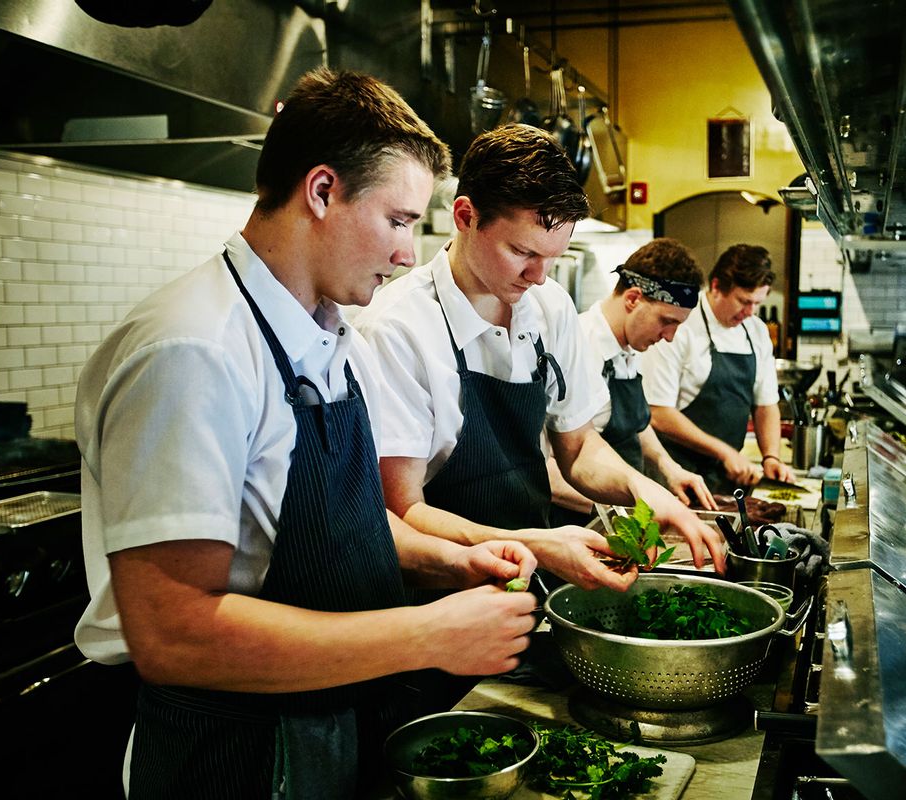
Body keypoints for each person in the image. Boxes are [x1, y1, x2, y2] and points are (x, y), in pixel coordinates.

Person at [73, 69, 538, 798]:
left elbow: (339, 528)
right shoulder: (193, 350)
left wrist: (457, 562)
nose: (408, 254)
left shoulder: (324, 333)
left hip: (330, 723)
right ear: (322, 191)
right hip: (236, 755)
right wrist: (430, 634)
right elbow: (174, 634)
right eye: (399, 220)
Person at [357, 124, 727, 591]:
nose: (538, 276)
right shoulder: (398, 330)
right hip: (439, 594)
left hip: (530, 577)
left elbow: (577, 446)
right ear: (466, 216)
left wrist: (642, 490)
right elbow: (402, 511)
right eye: (522, 251)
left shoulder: (551, 307)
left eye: (553, 257)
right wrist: (532, 545)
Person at [548, 238, 718, 523]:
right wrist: (629, 509)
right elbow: (548, 467)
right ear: (633, 299)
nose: (669, 337)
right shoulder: (576, 348)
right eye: (667, 321)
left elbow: (635, 426)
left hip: (622, 512)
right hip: (576, 521)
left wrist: (669, 467)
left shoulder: (628, 347)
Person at [643, 243, 796, 492]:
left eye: (757, 303)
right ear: (716, 286)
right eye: (744, 301)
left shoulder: (756, 331)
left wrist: (771, 457)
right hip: (676, 472)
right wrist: (724, 451)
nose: (750, 312)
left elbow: (766, 404)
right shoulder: (679, 325)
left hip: (728, 475)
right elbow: (658, 412)